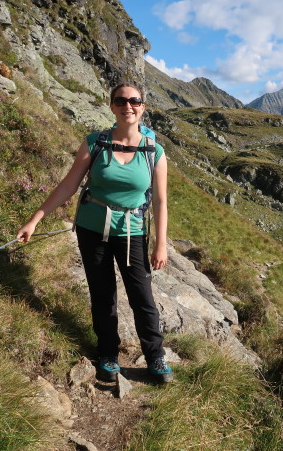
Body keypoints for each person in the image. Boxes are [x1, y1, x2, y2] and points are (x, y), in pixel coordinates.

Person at [17, 82, 173, 383]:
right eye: (121, 101)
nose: (128, 106)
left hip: (133, 232)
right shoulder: (94, 143)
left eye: (134, 101)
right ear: (112, 105)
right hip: (92, 230)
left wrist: (160, 245)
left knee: (142, 297)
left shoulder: (155, 151)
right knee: (102, 295)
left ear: (143, 106)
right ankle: (108, 354)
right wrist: (35, 220)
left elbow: (163, 201)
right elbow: (68, 185)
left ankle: (155, 357)